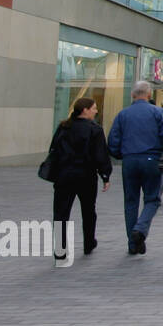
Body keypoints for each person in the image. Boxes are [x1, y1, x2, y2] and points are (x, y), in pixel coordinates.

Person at [107, 80, 163, 256]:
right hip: (152, 158)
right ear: (149, 94)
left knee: (131, 201)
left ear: (132, 95)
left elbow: (113, 140)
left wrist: (121, 154)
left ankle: (133, 243)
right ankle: (140, 229)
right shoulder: (160, 113)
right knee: (152, 199)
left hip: (129, 160)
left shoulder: (122, 114)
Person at [47, 98, 112, 259]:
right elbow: (100, 154)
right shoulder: (94, 129)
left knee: (61, 212)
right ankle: (89, 242)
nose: (96, 111)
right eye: (94, 108)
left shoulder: (64, 127)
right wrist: (105, 175)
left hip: (64, 175)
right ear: (85, 110)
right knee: (89, 210)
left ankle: (60, 249)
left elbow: (53, 148)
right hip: (86, 176)